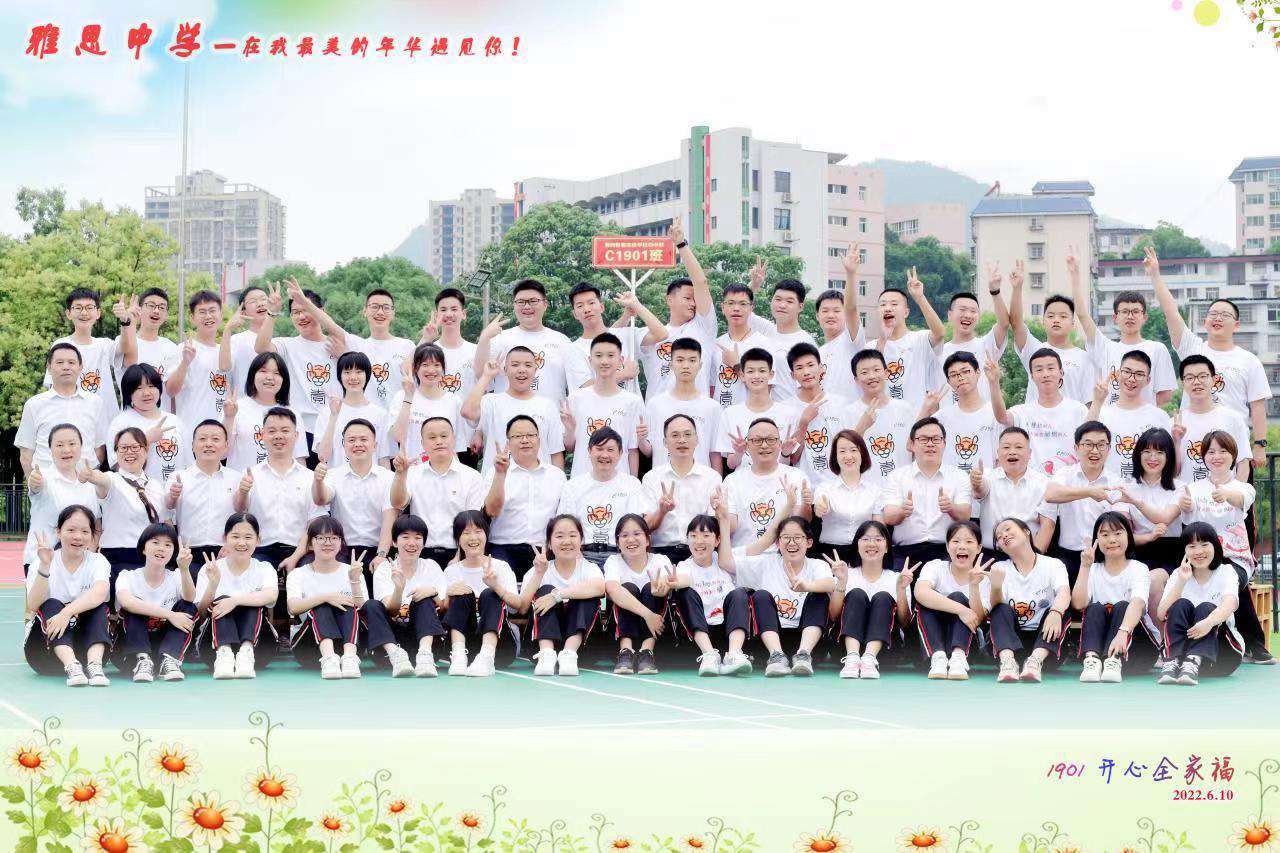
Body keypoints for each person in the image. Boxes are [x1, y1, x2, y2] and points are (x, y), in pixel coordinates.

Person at [1146, 245, 1271, 470]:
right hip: (1191, 441)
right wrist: (1155, 275)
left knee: (1234, 489)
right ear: (1205, 322)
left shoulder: (1248, 360)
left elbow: (1258, 405)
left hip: (1231, 444)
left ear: (1236, 324)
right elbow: (1171, 312)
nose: (1218, 318)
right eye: (1213, 314)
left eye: (1225, 315)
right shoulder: (1193, 349)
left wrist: (1260, 444)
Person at [1177, 430, 1273, 664]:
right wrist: (1185, 506)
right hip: (1201, 558)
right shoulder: (1193, 488)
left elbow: (1240, 500)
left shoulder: (1244, 488)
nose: (1217, 456)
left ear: (1233, 455)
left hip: (1234, 557)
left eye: (1223, 451)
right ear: (1203, 457)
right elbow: (1190, 524)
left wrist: (1226, 494)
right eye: (1211, 452)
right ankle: (1186, 647)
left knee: (1227, 576)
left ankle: (1248, 644)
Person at [720, 490, 836, 677]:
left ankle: (803, 655)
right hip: (770, 641)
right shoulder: (766, 563)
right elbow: (726, 563)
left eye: (797, 537)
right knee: (760, 595)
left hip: (807, 640)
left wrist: (806, 586)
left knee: (818, 594)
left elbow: (831, 584)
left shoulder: (817, 565)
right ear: (777, 543)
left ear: (809, 542)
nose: (791, 542)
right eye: (786, 537)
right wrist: (724, 520)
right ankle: (776, 656)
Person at [240, 408, 327, 627]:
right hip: (261, 548)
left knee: (314, 569)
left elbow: (314, 525)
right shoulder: (251, 475)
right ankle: (258, 632)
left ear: (296, 436)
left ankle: (308, 632)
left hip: (300, 547)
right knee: (251, 570)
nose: (278, 436)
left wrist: (296, 556)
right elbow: (240, 514)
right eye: (272, 431)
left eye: (285, 431)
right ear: (262, 435)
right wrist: (242, 492)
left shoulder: (309, 477)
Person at [254, 278, 349, 454]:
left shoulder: (338, 344)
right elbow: (261, 348)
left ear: (320, 311)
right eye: (295, 312)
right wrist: (272, 313)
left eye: (306, 310)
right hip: (300, 429)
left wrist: (344, 357)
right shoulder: (288, 345)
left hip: (335, 426)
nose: (301, 317)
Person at [1070, 248, 1174, 407]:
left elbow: (1165, 394)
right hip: (1111, 419)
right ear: (1115, 317)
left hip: (1144, 420)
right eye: (1124, 312)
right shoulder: (1105, 347)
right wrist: (1075, 275)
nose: (1130, 316)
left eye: (1135, 312)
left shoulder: (1157, 349)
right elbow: (1082, 315)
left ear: (1144, 317)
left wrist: (1136, 411)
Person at [23, 506, 111, 687]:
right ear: (58, 532)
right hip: (43, 653)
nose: (78, 536)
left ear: (92, 536)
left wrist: (66, 613)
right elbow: (33, 605)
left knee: (98, 606)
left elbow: (100, 592)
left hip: (85, 651)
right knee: (51, 604)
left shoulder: (97, 561)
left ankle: (95, 666)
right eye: (71, 530)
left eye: (85, 531)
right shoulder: (41, 561)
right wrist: (45, 566)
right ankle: (71, 666)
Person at [1043, 421, 1133, 584]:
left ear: (1109, 449)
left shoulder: (1116, 482)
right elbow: (1050, 494)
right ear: (1076, 448)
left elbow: (1121, 523)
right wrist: (1089, 492)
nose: (1095, 451)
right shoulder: (1065, 474)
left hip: (1104, 556)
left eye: (1101, 445)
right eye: (1088, 444)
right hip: (1067, 556)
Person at [387, 417, 485, 567]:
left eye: (444, 436)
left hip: (458, 554)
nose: (439, 441)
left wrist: (459, 557)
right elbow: (398, 503)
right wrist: (400, 473)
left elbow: (472, 523)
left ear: (454, 439)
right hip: (419, 554)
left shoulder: (472, 477)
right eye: (432, 437)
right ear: (422, 443)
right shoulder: (412, 473)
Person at [1072, 512, 1156, 684]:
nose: (1112, 540)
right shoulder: (1092, 570)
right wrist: (1085, 566)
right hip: (1102, 646)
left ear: (1129, 536)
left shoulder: (1138, 568)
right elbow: (1079, 604)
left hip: (1138, 651)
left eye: (1118, 533)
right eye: (1105, 535)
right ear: (1097, 540)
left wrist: (1122, 633)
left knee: (1123, 606)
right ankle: (1092, 660)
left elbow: (1138, 603)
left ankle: (1114, 660)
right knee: (1094, 608)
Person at [193, 513, 279, 679]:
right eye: (235, 536)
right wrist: (213, 584)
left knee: (252, 600)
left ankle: (246, 652)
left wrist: (235, 601)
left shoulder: (264, 568)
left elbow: (271, 596)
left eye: (248, 537)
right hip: (213, 650)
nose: (241, 542)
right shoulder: (210, 568)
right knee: (221, 600)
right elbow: (201, 612)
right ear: (224, 538)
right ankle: (224, 653)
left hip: (260, 650)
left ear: (258, 540)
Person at [475, 279, 589, 404]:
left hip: (551, 414)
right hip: (506, 414)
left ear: (545, 304)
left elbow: (581, 383)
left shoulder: (562, 341)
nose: (527, 306)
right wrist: (484, 337)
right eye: (521, 302)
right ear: (514, 305)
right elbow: (480, 375)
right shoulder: (500, 339)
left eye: (533, 301)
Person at [518, 515, 607, 677]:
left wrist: (557, 596)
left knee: (584, 594)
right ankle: (547, 654)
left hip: (582, 650)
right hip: (541, 645)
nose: (567, 541)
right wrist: (539, 574)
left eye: (572, 535)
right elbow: (523, 607)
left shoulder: (589, 568)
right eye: (559, 536)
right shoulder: (539, 570)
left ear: (581, 540)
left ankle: (569, 654)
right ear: (549, 543)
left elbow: (599, 588)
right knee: (546, 589)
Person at [986, 517, 1072, 683]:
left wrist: (1055, 612)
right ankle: (1008, 663)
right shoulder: (999, 568)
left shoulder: (1053, 564)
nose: (1003, 536)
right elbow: (994, 606)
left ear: (1026, 532)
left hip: (1046, 647)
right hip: (1010, 645)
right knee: (1000, 609)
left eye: (1008, 529)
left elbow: (1064, 592)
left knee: (1061, 609)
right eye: (998, 537)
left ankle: (1034, 662)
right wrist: (995, 586)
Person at [1156, 522, 1243, 685]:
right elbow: (1161, 614)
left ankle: (1194, 660)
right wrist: (1181, 581)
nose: (1198, 551)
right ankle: (1173, 660)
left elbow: (1230, 604)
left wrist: (1208, 623)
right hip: (1181, 658)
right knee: (1181, 604)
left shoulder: (1226, 571)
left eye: (1204, 544)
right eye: (1192, 546)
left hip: (1223, 657)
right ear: (1184, 550)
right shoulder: (1178, 574)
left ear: (1215, 546)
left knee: (1206, 607)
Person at [314, 419, 397, 589]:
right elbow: (321, 499)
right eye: (351, 440)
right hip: (341, 551)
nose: (358, 444)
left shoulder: (388, 477)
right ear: (343, 445)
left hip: (376, 550)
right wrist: (318, 481)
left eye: (364, 439)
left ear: (375, 445)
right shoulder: (333, 475)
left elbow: (389, 518)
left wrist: (381, 555)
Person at [639, 218, 717, 398]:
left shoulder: (703, 327)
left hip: (695, 409)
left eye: (695, 299)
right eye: (687, 298)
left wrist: (681, 244)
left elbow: (701, 282)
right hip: (658, 411)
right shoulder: (652, 335)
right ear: (669, 299)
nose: (693, 303)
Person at [556, 427, 658, 565]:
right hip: (582, 556)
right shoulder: (573, 486)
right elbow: (563, 525)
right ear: (589, 451)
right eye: (599, 449)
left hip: (621, 556)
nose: (604, 455)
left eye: (610, 450)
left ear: (620, 453)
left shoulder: (631, 484)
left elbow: (645, 519)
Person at [880, 417, 973, 567]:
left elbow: (965, 515)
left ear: (944, 443)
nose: (930, 444)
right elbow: (889, 517)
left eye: (936, 439)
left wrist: (951, 508)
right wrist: (902, 511)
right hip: (905, 553)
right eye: (923, 439)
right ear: (912, 444)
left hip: (947, 553)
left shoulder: (959, 476)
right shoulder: (896, 476)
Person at [482, 416, 567, 580]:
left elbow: (563, 518)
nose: (525, 440)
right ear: (508, 442)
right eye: (518, 436)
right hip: (502, 547)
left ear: (539, 440)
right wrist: (500, 474)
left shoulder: (557, 476)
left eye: (530, 435)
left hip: (544, 550)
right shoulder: (494, 472)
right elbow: (490, 511)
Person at [285, 517, 371, 679]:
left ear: (341, 542)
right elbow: (293, 607)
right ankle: (329, 658)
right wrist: (326, 597)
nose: (327, 543)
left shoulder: (352, 571)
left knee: (346, 604)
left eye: (333, 538)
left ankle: (350, 658)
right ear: (310, 544)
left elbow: (363, 608)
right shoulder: (298, 574)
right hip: (309, 649)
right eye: (321, 538)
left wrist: (354, 580)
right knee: (322, 605)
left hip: (349, 643)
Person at [360, 514, 444, 678]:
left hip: (422, 638)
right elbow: (390, 610)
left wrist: (433, 593)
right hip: (390, 642)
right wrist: (399, 589)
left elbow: (444, 607)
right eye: (405, 537)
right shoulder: (384, 569)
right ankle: (396, 656)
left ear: (424, 543)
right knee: (371, 605)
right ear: (394, 542)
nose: (412, 543)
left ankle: (425, 656)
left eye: (417, 538)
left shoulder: (431, 566)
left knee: (424, 598)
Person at [84, 427, 168, 589]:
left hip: (151, 560)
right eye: (123, 448)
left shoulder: (156, 485)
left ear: (146, 450)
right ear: (116, 452)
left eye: (135, 447)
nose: (129, 452)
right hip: (117, 559)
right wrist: (91, 475)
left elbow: (163, 523)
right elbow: (101, 479)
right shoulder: (112, 480)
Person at [441, 511, 522, 677]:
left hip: (500, 648)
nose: (473, 538)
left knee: (489, 593)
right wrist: (449, 595)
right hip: (467, 644)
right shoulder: (451, 571)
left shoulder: (500, 567)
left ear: (486, 535)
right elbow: (443, 611)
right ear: (458, 539)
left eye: (478, 531)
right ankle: (458, 656)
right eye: (466, 533)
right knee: (461, 591)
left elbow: (517, 606)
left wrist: (496, 586)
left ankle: (486, 656)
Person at [829, 520, 912, 680]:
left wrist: (901, 589)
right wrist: (841, 582)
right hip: (844, 651)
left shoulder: (898, 578)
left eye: (878, 539)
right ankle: (853, 657)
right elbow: (833, 616)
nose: (871, 544)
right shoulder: (845, 574)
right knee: (857, 594)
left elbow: (905, 622)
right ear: (857, 545)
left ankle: (869, 657)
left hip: (885, 651)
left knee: (882, 597)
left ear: (887, 547)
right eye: (865, 539)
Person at [114, 524, 198, 683]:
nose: (161, 548)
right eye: (155, 542)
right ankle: (142, 660)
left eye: (168, 545)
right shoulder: (127, 576)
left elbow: (190, 598)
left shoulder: (176, 576)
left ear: (173, 552)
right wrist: (170, 615)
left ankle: (169, 660)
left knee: (187, 606)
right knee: (133, 606)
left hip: (164, 645)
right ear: (143, 548)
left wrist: (184, 569)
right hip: (130, 648)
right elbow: (126, 602)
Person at [464, 347, 566, 472]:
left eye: (528, 365)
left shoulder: (547, 406)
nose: (521, 370)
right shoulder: (491, 402)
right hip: (498, 479)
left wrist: (558, 481)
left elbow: (555, 452)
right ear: (505, 370)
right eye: (515, 365)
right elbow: (468, 412)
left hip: (539, 480)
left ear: (535, 370)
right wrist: (486, 376)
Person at [667, 510, 741, 676]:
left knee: (740, 594)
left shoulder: (725, 561)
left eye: (706, 535)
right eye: (693, 536)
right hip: (701, 632)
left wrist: (723, 514)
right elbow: (683, 579)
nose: (699, 541)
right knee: (685, 593)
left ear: (717, 540)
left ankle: (734, 655)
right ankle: (709, 656)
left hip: (728, 630)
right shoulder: (684, 566)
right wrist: (674, 582)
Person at [914, 521, 992, 681]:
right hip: (932, 644)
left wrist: (974, 586)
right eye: (956, 541)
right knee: (926, 602)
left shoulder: (986, 579)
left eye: (969, 541)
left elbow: (979, 617)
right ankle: (938, 657)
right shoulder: (935, 566)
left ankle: (958, 656)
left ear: (979, 548)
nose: (962, 546)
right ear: (947, 546)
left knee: (958, 596)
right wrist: (961, 610)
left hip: (968, 648)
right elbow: (920, 592)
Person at [643, 414, 723, 566]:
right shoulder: (651, 478)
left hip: (701, 552)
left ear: (697, 440)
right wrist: (662, 511)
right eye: (675, 435)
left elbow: (716, 526)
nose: (682, 440)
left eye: (687, 434)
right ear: (665, 442)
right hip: (661, 554)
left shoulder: (712, 478)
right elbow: (646, 527)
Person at [561, 333, 645, 478]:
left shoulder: (632, 402)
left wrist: (633, 483)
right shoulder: (575, 399)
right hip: (582, 481)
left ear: (620, 360)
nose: (604, 361)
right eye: (598, 356)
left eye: (610, 355)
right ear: (590, 360)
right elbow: (569, 447)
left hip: (619, 483)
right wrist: (570, 429)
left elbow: (632, 449)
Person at [1008, 268, 1092, 406]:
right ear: (1043, 321)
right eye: (1051, 316)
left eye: (1063, 316)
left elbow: (1089, 402)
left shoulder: (1085, 358)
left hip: (1071, 420)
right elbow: (1016, 324)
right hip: (1036, 419)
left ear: (1073, 323)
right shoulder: (1035, 350)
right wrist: (1017, 289)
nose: (1056, 320)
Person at [721, 417, 810, 548]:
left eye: (771, 439)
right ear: (747, 446)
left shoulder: (796, 476)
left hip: (783, 555)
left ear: (780, 444)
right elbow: (730, 527)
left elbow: (801, 522)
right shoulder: (732, 481)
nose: (764, 445)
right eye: (757, 440)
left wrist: (806, 505)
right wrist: (720, 513)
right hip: (743, 555)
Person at [603, 514, 674, 675]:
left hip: (658, 630)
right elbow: (613, 590)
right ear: (618, 542)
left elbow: (665, 585)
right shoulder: (613, 561)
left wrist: (661, 588)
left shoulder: (660, 560)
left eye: (637, 534)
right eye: (624, 535)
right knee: (627, 588)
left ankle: (647, 651)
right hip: (623, 630)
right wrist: (648, 615)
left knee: (650, 588)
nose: (631, 539)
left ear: (647, 539)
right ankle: (625, 651)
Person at [970, 426, 1056, 559]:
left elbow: (1047, 526)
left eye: (1018, 447)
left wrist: (1035, 561)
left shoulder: (1044, 483)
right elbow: (980, 490)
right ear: (998, 453)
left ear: (1029, 453)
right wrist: (977, 483)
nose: (1012, 452)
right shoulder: (987, 476)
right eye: (1006, 447)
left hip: (1028, 555)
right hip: (991, 555)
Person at [23, 424, 97, 575]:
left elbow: (95, 522)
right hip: (43, 560)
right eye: (59, 445)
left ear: (81, 447)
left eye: (72, 444)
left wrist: (92, 552)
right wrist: (34, 483)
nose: (66, 450)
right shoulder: (43, 477)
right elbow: (35, 487)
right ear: (50, 449)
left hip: (80, 563)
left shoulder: (89, 482)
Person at [43, 288, 119, 436]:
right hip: (73, 426)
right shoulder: (61, 345)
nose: (84, 312)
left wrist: (128, 322)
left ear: (98, 313)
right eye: (78, 308)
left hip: (107, 424)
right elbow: (53, 389)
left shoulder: (105, 344)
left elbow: (128, 351)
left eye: (89, 307)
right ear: (68, 313)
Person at [19, 343, 105, 473]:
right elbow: (26, 452)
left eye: (71, 362)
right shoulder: (34, 404)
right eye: (59, 362)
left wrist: (88, 475)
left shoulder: (95, 403)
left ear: (80, 367)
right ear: (49, 367)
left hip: (86, 481)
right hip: (46, 481)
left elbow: (100, 448)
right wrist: (34, 483)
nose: (66, 367)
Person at [568, 282, 667, 397]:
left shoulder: (624, 334)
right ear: (575, 314)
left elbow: (661, 334)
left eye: (591, 303)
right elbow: (584, 387)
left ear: (601, 307)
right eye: (580, 306)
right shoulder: (574, 349)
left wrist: (636, 305)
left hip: (632, 408)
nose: (587, 309)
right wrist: (623, 374)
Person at [1003, 348, 1090, 476]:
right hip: (1033, 484)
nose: (1045, 374)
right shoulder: (1022, 411)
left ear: (1061, 372)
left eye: (1050, 368)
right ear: (1032, 376)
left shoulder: (1079, 410)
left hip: (1069, 483)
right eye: (1039, 370)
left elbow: (1090, 441)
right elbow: (1002, 418)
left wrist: (1098, 401)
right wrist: (994, 383)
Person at [168, 420, 243, 569]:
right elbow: (167, 508)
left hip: (226, 552)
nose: (208, 444)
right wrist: (173, 496)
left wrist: (232, 545)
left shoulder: (237, 478)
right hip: (189, 554)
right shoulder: (178, 477)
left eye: (215, 439)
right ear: (192, 445)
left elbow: (244, 516)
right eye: (202, 439)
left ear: (226, 446)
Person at [866, 271, 944, 411]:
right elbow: (870, 375)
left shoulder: (920, 339)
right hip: (882, 417)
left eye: (894, 304)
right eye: (883, 305)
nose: (888, 308)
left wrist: (920, 298)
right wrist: (882, 340)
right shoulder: (870, 348)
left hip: (916, 418)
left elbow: (939, 333)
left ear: (906, 312)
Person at [1088, 351, 1172, 481]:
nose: (1132, 379)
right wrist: (1097, 401)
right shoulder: (1102, 413)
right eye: (1127, 371)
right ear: (1117, 374)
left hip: (1145, 490)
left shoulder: (1159, 417)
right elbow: (1084, 443)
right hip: (1107, 489)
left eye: (1139, 374)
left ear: (1148, 380)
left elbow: (1168, 460)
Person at [715, 348, 801, 471]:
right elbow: (731, 464)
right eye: (750, 371)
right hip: (743, 480)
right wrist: (739, 452)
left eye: (762, 371)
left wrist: (785, 453)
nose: (756, 376)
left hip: (779, 481)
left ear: (771, 375)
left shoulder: (789, 414)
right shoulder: (730, 414)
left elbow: (787, 464)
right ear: (742, 375)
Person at [642, 338, 721, 471]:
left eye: (692, 360)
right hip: (663, 478)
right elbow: (649, 451)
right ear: (671, 364)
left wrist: (717, 481)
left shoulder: (712, 407)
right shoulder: (655, 404)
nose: (686, 365)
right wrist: (640, 439)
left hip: (701, 479)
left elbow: (715, 454)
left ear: (700, 365)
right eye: (680, 360)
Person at [934, 273, 1010, 410]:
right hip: (949, 419)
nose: (968, 315)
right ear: (950, 314)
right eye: (962, 310)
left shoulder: (986, 345)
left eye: (973, 311)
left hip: (983, 417)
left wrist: (995, 291)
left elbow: (1004, 324)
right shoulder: (938, 353)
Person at [107, 363, 191, 487]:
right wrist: (146, 440)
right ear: (129, 392)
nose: (146, 393)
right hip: (140, 493)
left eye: (151, 386)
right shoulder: (121, 423)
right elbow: (115, 465)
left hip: (176, 492)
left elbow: (189, 464)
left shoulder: (174, 421)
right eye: (139, 388)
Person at [741, 265, 816, 402]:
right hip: (766, 410)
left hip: (793, 411)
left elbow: (811, 386)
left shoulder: (805, 342)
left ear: (801, 306)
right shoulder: (767, 330)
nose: (782, 305)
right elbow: (742, 309)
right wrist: (754, 285)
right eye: (778, 299)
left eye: (789, 301)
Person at [223, 352, 308, 471]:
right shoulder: (235, 408)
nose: (270, 377)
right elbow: (222, 453)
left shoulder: (292, 413)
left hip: (280, 481)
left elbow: (299, 460)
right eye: (263, 371)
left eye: (277, 373)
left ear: (284, 380)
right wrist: (229, 417)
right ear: (252, 375)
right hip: (242, 480)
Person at [1172, 354, 1251, 483]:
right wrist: (1176, 441)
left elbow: (1243, 463)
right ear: (1183, 383)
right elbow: (1171, 472)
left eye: (1203, 376)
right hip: (1187, 495)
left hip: (1225, 494)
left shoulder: (1232, 418)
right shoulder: (1174, 423)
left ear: (1214, 380)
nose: (1196, 382)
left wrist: (1235, 493)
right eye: (1190, 378)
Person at [786, 343, 856, 487]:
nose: (806, 372)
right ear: (792, 375)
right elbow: (791, 458)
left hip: (839, 486)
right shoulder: (786, 409)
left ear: (821, 368)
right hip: (805, 488)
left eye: (810, 365)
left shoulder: (841, 404)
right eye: (799, 368)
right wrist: (804, 423)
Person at [1115, 428, 1182, 573]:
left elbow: (1164, 518)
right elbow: (1121, 533)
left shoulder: (1180, 487)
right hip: (1137, 551)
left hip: (1172, 554)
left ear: (1169, 456)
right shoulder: (1126, 486)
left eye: (1160, 452)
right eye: (1147, 451)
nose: (1153, 458)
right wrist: (1149, 537)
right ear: (1138, 454)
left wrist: (1136, 502)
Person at [925, 352, 1002, 474]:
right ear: (948, 381)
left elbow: (1001, 459)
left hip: (986, 483)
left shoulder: (996, 414)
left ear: (978, 372)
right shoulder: (941, 417)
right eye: (954, 375)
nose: (960, 377)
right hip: (950, 484)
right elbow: (913, 443)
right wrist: (926, 409)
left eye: (965, 371)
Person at [311, 351, 392, 467]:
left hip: (371, 478)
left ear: (367, 375)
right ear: (340, 376)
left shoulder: (380, 414)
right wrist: (333, 417)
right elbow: (323, 456)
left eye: (359, 372)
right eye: (347, 372)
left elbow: (383, 458)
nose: (353, 377)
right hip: (337, 477)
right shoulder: (327, 412)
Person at [813, 430, 882, 563]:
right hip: (830, 555)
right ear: (835, 456)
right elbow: (819, 504)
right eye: (842, 451)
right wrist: (820, 507)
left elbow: (879, 528)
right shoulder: (825, 488)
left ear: (862, 454)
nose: (848, 456)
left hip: (864, 554)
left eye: (853, 450)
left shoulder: (875, 491)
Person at [847, 349, 915, 484]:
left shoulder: (905, 409)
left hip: (902, 487)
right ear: (856, 380)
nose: (871, 376)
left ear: (886, 373)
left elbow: (914, 449)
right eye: (864, 372)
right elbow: (844, 455)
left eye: (876, 370)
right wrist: (861, 427)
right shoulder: (848, 413)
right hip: (867, 489)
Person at [390, 343, 466, 463]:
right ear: (415, 368)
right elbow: (398, 436)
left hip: (445, 469)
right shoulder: (402, 397)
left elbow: (457, 445)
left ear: (443, 368)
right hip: (412, 469)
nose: (431, 370)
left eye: (436, 365)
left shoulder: (454, 401)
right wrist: (408, 397)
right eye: (425, 365)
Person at [165, 291, 233, 426]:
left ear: (221, 314)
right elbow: (170, 391)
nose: (208, 316)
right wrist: (185, 362)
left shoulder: (227, 352)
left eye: (212, 310)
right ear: (192, 318)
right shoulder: (183, 349)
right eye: (202, 312)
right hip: (191, 429)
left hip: (221, 430)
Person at [348, 289, 416, 410]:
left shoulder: (407, 346)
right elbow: (331, 326)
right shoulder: (357, 346)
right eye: (374, 307)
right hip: (367, 418)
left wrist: (426, 338)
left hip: (400, 416)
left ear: (393, 312)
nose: (380, 312)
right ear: (365, 311)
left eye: (386, 308)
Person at [113, 288, 178, 412]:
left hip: (162, 419)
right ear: (140, 309)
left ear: (166, 314)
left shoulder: (171, 348)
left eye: (162, 307)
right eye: (151, 305)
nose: (156, 311)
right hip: (132, 419)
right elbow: (130, 365)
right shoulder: (123, 341)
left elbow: (172, 394)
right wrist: (130, 322)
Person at [714, 283, 776, 409]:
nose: (736, 308)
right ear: (723, 307)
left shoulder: (763, 344)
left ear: (751, 308)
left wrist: (736, 366)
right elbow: (712, 387)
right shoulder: (716, 344)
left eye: (743, 304)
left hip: (751, 416)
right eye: (730, 303)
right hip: (721, 416)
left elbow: (766, 389)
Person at [419, 288, 479, 407]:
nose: (449, 314)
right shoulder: (427, 351)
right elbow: (407, 370)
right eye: (443, 310)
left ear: (464, 314)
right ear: (436, 315)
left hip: (465, 418)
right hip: (433, 416)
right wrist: (426, 339)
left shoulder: (476, 351)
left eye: (454, 309)